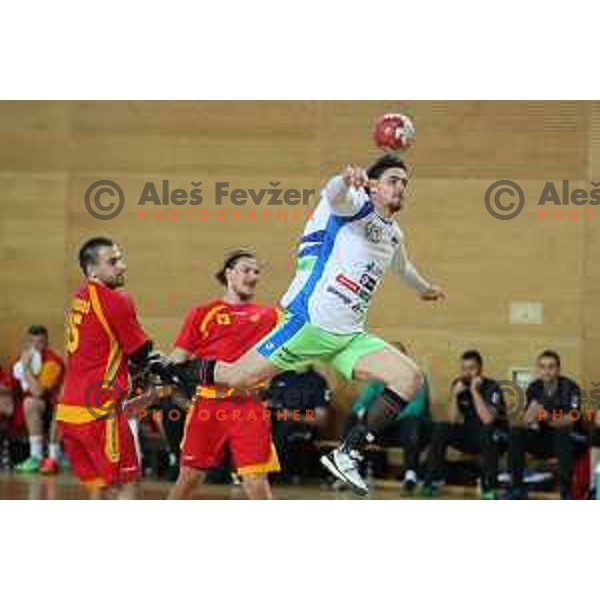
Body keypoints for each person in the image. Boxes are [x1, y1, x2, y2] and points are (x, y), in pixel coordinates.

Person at [155, 155, 446, 495]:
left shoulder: (393, 233)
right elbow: (332, 193)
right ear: (374, 185)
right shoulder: (354, 206)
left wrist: (425, 289)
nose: (401, 187)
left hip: (349, 335)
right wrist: (346, 179)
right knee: (237, 377)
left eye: (405, 183)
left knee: (409, 377)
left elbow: (403, 267)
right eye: (394, 180)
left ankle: (347, 452)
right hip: (309, 322)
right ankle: (168, 370)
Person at [167, 250, 281, 500]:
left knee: (255, 482)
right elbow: (178, 357)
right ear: (229, 274)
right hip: (208, 403)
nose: (253, 276)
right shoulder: (202, 313)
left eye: (257, 272)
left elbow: (291, 349)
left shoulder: (271, 316)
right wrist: (159, 366)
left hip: (250, 406)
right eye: (246, 270)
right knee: (189, 478)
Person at [56, 237, 154, 499]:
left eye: (120, 258)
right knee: (126, 484)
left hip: (69, 412)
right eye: (113, 261)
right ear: (92, 269)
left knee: (100, 488)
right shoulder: (115, 300)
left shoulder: (80, 295)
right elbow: (141, 352)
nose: (122, 266)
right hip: (99, 412)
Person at [347, 343, 431, 491]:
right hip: (382, 428)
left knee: (411, 422)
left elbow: (415, 410)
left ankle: (411, 474)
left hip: (408, 431)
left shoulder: (416, 379)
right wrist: (365, 414)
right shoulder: (377, 381)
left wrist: (382, 416)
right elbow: (359, 405)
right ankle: (349, 468)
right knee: (353, 418)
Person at [423, 350, 507, 499]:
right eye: (463, 368)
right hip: (471, 435)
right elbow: (452, 419)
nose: (467, 372)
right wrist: (455, 395)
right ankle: (433, 481)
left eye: (471, 368)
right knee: (441, 427)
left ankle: (489, 487)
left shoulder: (492, 386)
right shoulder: (458, 384)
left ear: (480, 369)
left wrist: (475, 391)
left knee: (488, 431)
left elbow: (487, 419)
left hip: (495, 437)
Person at [504, 350, 582, 500]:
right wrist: (528, 417)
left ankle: (566, 491)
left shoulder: (570, 388)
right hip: (542, 437)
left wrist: (546, 417)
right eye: (543, 367)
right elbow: (527, 420)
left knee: (562, 433)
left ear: (558, 369)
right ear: (538, 369)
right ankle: (516, 487)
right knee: (516, 432)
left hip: (569, 438)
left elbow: (572, 419)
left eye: (551, 367)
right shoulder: (534, 387)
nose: (546, 371)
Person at [13, 325, 65, 474]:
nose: (36, 347)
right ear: (27, 343)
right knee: (29, 404)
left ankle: (53, 459)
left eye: (40, 343)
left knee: (59, 409)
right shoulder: (25, 358)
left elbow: (37, 391)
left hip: (57, 404)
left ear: (47, 344)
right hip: (42, 405)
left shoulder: (52, 362)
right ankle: (35, 457)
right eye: (32, 343)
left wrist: (26, 367)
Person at [266, 366, 331, 482]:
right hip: (273, 424)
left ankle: (280, 475)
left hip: (301, 427)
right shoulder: (279, 378)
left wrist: (291, 415)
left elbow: (321, 420)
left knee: (284, 430)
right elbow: (270, 405)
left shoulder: (317, 381)